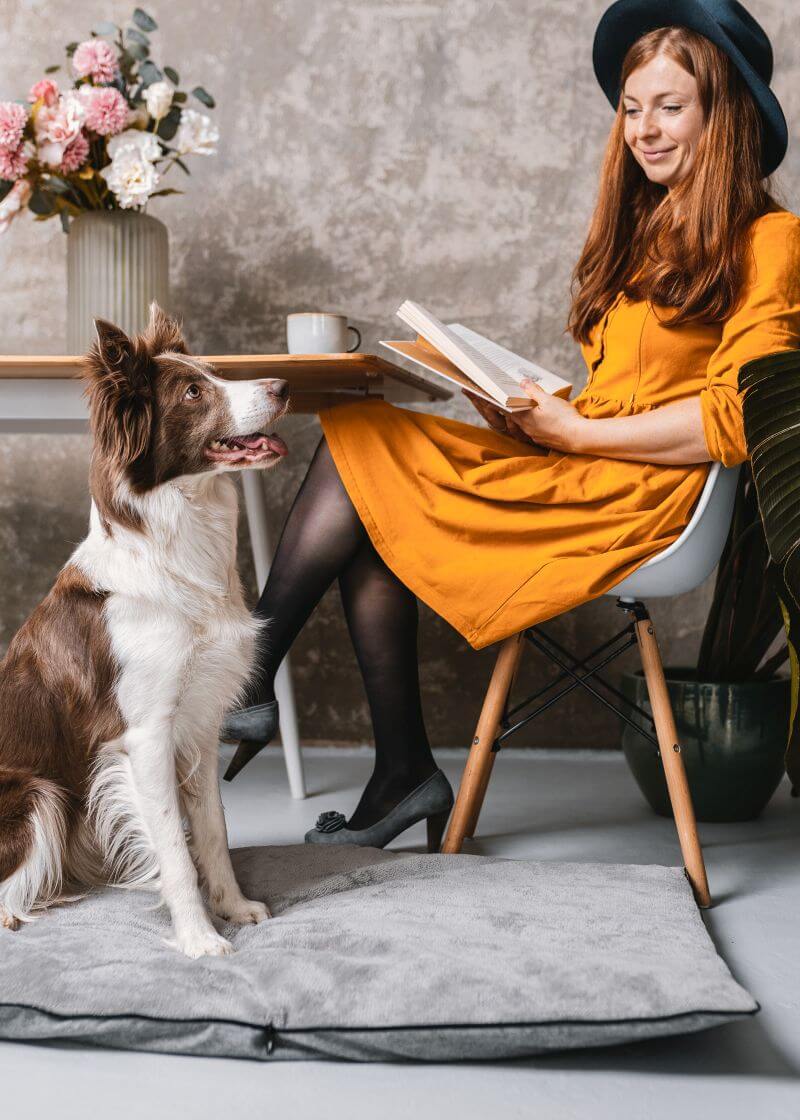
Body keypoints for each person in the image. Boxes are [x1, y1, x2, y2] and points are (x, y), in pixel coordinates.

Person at [222, 0, 800, 850]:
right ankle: (399, 772)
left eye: (670, 107)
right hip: (588, 467)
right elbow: (619, 394)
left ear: (724, 114)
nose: (644, 129)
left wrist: (579, 436)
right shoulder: (646, 231)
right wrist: (527, 406)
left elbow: (740, 417)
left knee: (362, 452)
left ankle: (248, 678)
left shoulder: (772, 239)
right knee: (364, 447)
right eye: (632, 108)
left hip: (643, 505)